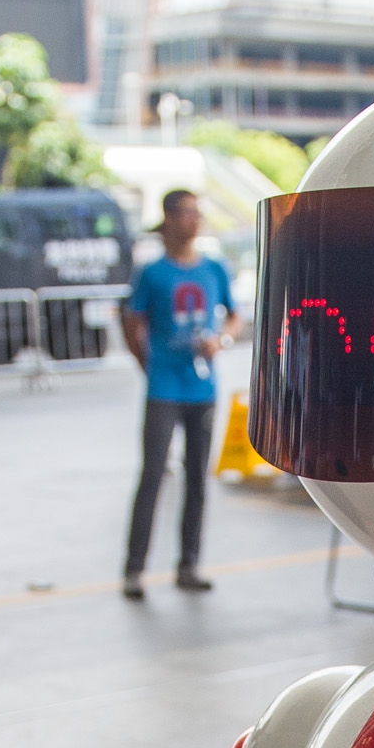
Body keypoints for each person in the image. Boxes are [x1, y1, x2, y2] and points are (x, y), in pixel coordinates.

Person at [119, 189, 237, 600]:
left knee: (197, 479)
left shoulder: (215, 268)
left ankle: (189, 563)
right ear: (169, 219)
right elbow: (132, 322)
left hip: (201, 387)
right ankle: (134, 569)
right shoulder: (152, 274)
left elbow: (234, 315)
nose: (193, 220)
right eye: (186, 213)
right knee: (153, 474)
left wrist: (220, 340)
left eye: (197, 213)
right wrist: (147, 363)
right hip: (164, 387)